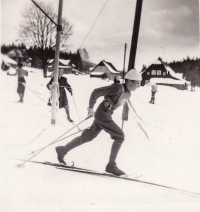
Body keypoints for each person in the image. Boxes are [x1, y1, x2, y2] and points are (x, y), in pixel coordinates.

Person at [55, 69, 142, 176]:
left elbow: (120, 102)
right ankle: (111, 165)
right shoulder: (117, 88)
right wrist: (91, 108)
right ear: (129, 82)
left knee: (87, 137)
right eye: (137, 83)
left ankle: (62, 150)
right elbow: (96, 92)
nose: (139, 86)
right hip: (103, 114)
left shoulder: (128, 93)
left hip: (106, 113)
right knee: (120, 136)